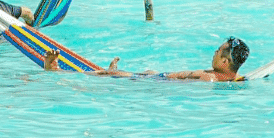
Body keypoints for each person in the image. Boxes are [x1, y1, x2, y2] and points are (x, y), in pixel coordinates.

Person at [92, 37, 252, 82]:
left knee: (111, 75)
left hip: (161, 81)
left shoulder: (209, 77)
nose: (214, 52)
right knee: (149, 71)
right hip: (161, 77)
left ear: (225, 62)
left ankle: (87, 74)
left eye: (218, 51)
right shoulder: (231, 77)